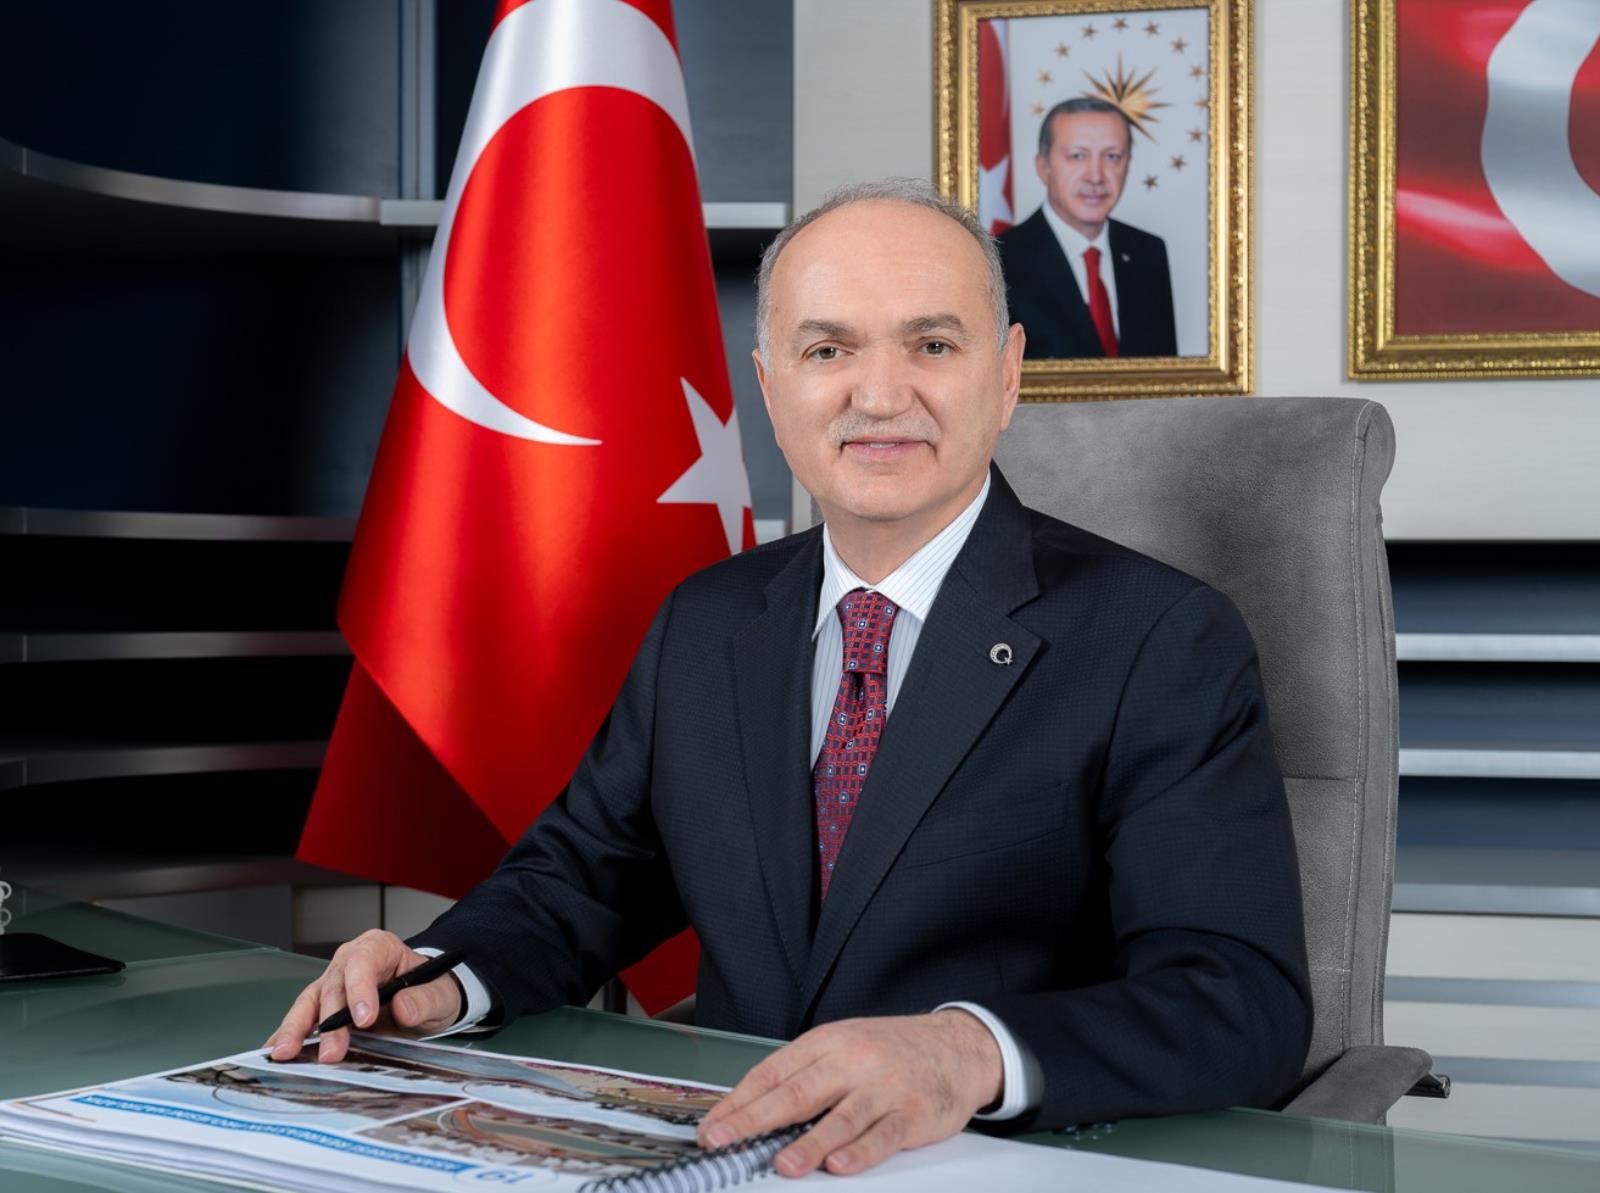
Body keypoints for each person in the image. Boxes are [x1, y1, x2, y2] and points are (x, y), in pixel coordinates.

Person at [267, 179, 1310, 1179]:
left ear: (1005, 376)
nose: (879, 395)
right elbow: (582, 877)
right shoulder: (708, 620)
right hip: (731, 1157)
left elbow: (1238, 1000)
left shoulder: (1158, 638)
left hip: (1011, 1168)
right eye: (828, 350)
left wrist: (965, 1053)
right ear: (771, 390)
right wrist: (438, 977)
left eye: (932, 344)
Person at [999, 98, 1178, 359]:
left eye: (1112, 156)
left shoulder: (1148, 252)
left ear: (1127, 165)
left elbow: (1166, 373)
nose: (1096, 176)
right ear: (1043, 167)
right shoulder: (1001, 259)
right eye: (1078, 156)